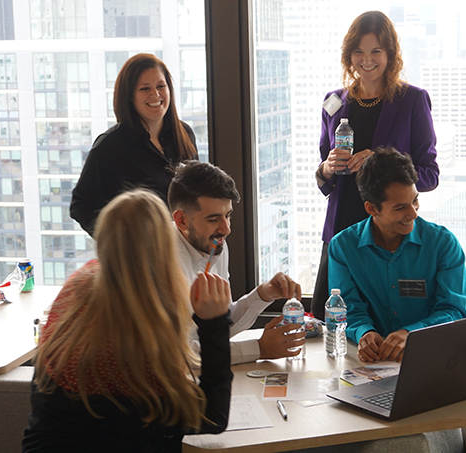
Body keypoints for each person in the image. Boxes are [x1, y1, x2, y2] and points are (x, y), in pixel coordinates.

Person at [22, 189, 233, 451]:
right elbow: (210, 418)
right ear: (164, 249)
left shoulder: (78, 284)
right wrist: (214, 323)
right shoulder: (137, 351)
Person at [311, 10, 440, 319]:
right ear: (349, 55)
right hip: (341, 229)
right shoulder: (334, 102)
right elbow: (323, 177)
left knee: (382, 322)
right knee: (330, 320)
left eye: (375, 51)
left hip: (387, 233)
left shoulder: (412, 100)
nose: (366, 60)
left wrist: (383, 163)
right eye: (359, 51)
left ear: (390, 55)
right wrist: (328, 168)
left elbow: (430, 175)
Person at [328, 148, 466, 363]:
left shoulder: (443, 243)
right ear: (372, 208)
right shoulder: (343, 247)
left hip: (429, 357)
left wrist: (411, 333)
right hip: (370, 362)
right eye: (401, 207)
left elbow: (454, 311)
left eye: (415, 201)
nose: (413, 213)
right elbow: (348, 308)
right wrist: (364, 333)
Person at [168, 160, 306, 364]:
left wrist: (263, 294)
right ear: (181, 220)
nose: (226, 229)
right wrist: (257, 349)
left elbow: (218, 324)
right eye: (213, 219)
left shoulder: (214, 242)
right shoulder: (162, 259)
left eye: (228, 216)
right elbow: (176, 354)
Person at [70, 53, 198, 236]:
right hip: (139, 258)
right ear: (129, 96)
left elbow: (196, 193)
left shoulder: (184, 134)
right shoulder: (110, 147)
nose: (155, 94)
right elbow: (81, 205)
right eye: (145, 89)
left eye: (161, 86)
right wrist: (119, 241)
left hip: (184, 251)